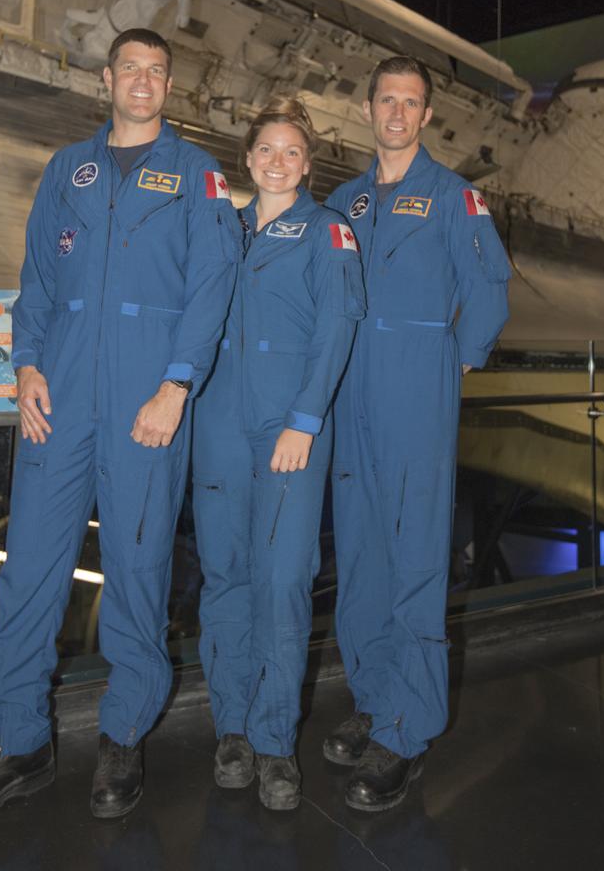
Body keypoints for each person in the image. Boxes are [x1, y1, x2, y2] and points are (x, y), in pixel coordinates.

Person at [0, 28, 240, 832]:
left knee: (136, 570)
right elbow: (35, 278)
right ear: (107, 80)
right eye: (129, 69)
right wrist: (27, 366)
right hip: (57, 396)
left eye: (156, 72)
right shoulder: (69, 168)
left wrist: (177, 387)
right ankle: (15, 744)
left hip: (146, 396)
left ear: (169, 87)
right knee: (28, 570)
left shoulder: (198, 175)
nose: (142, 82)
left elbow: (212, 288)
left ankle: (124, 734)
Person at [324, 55, 510, 812]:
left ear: (425, 115)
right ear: (367, 110)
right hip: (349, 397)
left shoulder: (454, 199)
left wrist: (452, 366)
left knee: (414, 561)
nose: (397, 113)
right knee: (361, 555)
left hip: (413, 393)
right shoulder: (343, 201)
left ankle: (406, 727)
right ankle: (371, 696)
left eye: (411, 103)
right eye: (386, 101)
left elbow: (488, 295)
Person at [192, 97, 365, 811]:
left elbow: (336, 328)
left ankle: (271, 740)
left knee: (284, 580)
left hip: (287, 428)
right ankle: (229, 726)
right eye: (266, 149)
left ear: (308, 164)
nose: (277, 161)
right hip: (217, 424)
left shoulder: (328, 233)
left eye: (292, 151)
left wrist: (304, 420)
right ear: (247, 157)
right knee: (224, 575)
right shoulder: (221, 229)